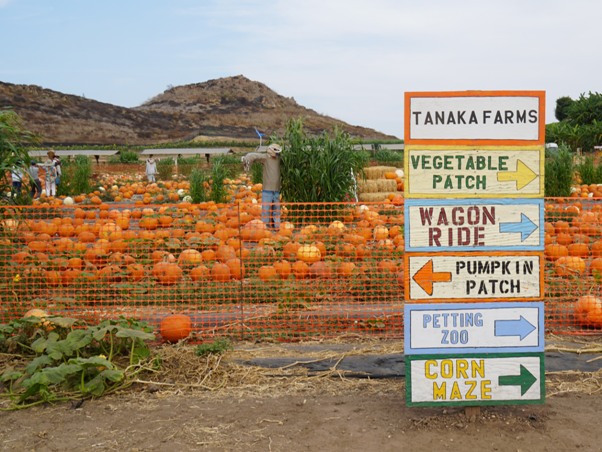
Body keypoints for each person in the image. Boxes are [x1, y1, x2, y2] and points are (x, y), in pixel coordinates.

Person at [241, 143, 282, 230]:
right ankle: (265, 226)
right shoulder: (266, 158)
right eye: (276, 152)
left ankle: (276, 226)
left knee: (276, 209)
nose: (277, 154)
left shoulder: (279, 159)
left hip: (276, 189)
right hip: (267, 189)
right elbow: (254, 155)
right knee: (266, 210)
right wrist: (246, 159)